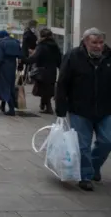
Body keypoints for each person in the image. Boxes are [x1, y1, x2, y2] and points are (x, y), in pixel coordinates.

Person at [56, 27, 111, 191]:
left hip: (106, 108)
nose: (98, 46)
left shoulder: (109, 56)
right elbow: (62, 82)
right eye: (94, 42)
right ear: (85, 42)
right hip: (80, 109)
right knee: (82, 146)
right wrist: (61, 107)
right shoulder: (73, 56)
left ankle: (94, 167)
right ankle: (85, 176)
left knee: (107, 142)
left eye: (101, 42)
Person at [21, 28, 61, 114]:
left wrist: (24, 60)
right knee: (48, 88)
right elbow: (59, 60)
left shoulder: (42, 46)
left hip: (42, 70)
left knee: (43, 88)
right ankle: (44, 105)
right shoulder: (55, 46)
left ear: (42, 36)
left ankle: (48, 107)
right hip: (52, 70)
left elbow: (35, 58)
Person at [0, 30, 22, 116]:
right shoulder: (15, 42)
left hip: (3, 67)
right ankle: (3, 106)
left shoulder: (1, 43)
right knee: (10, 86)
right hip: (12, 67)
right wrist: (20, 66)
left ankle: (11, 108)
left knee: (4, 87)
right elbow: (20, 55)